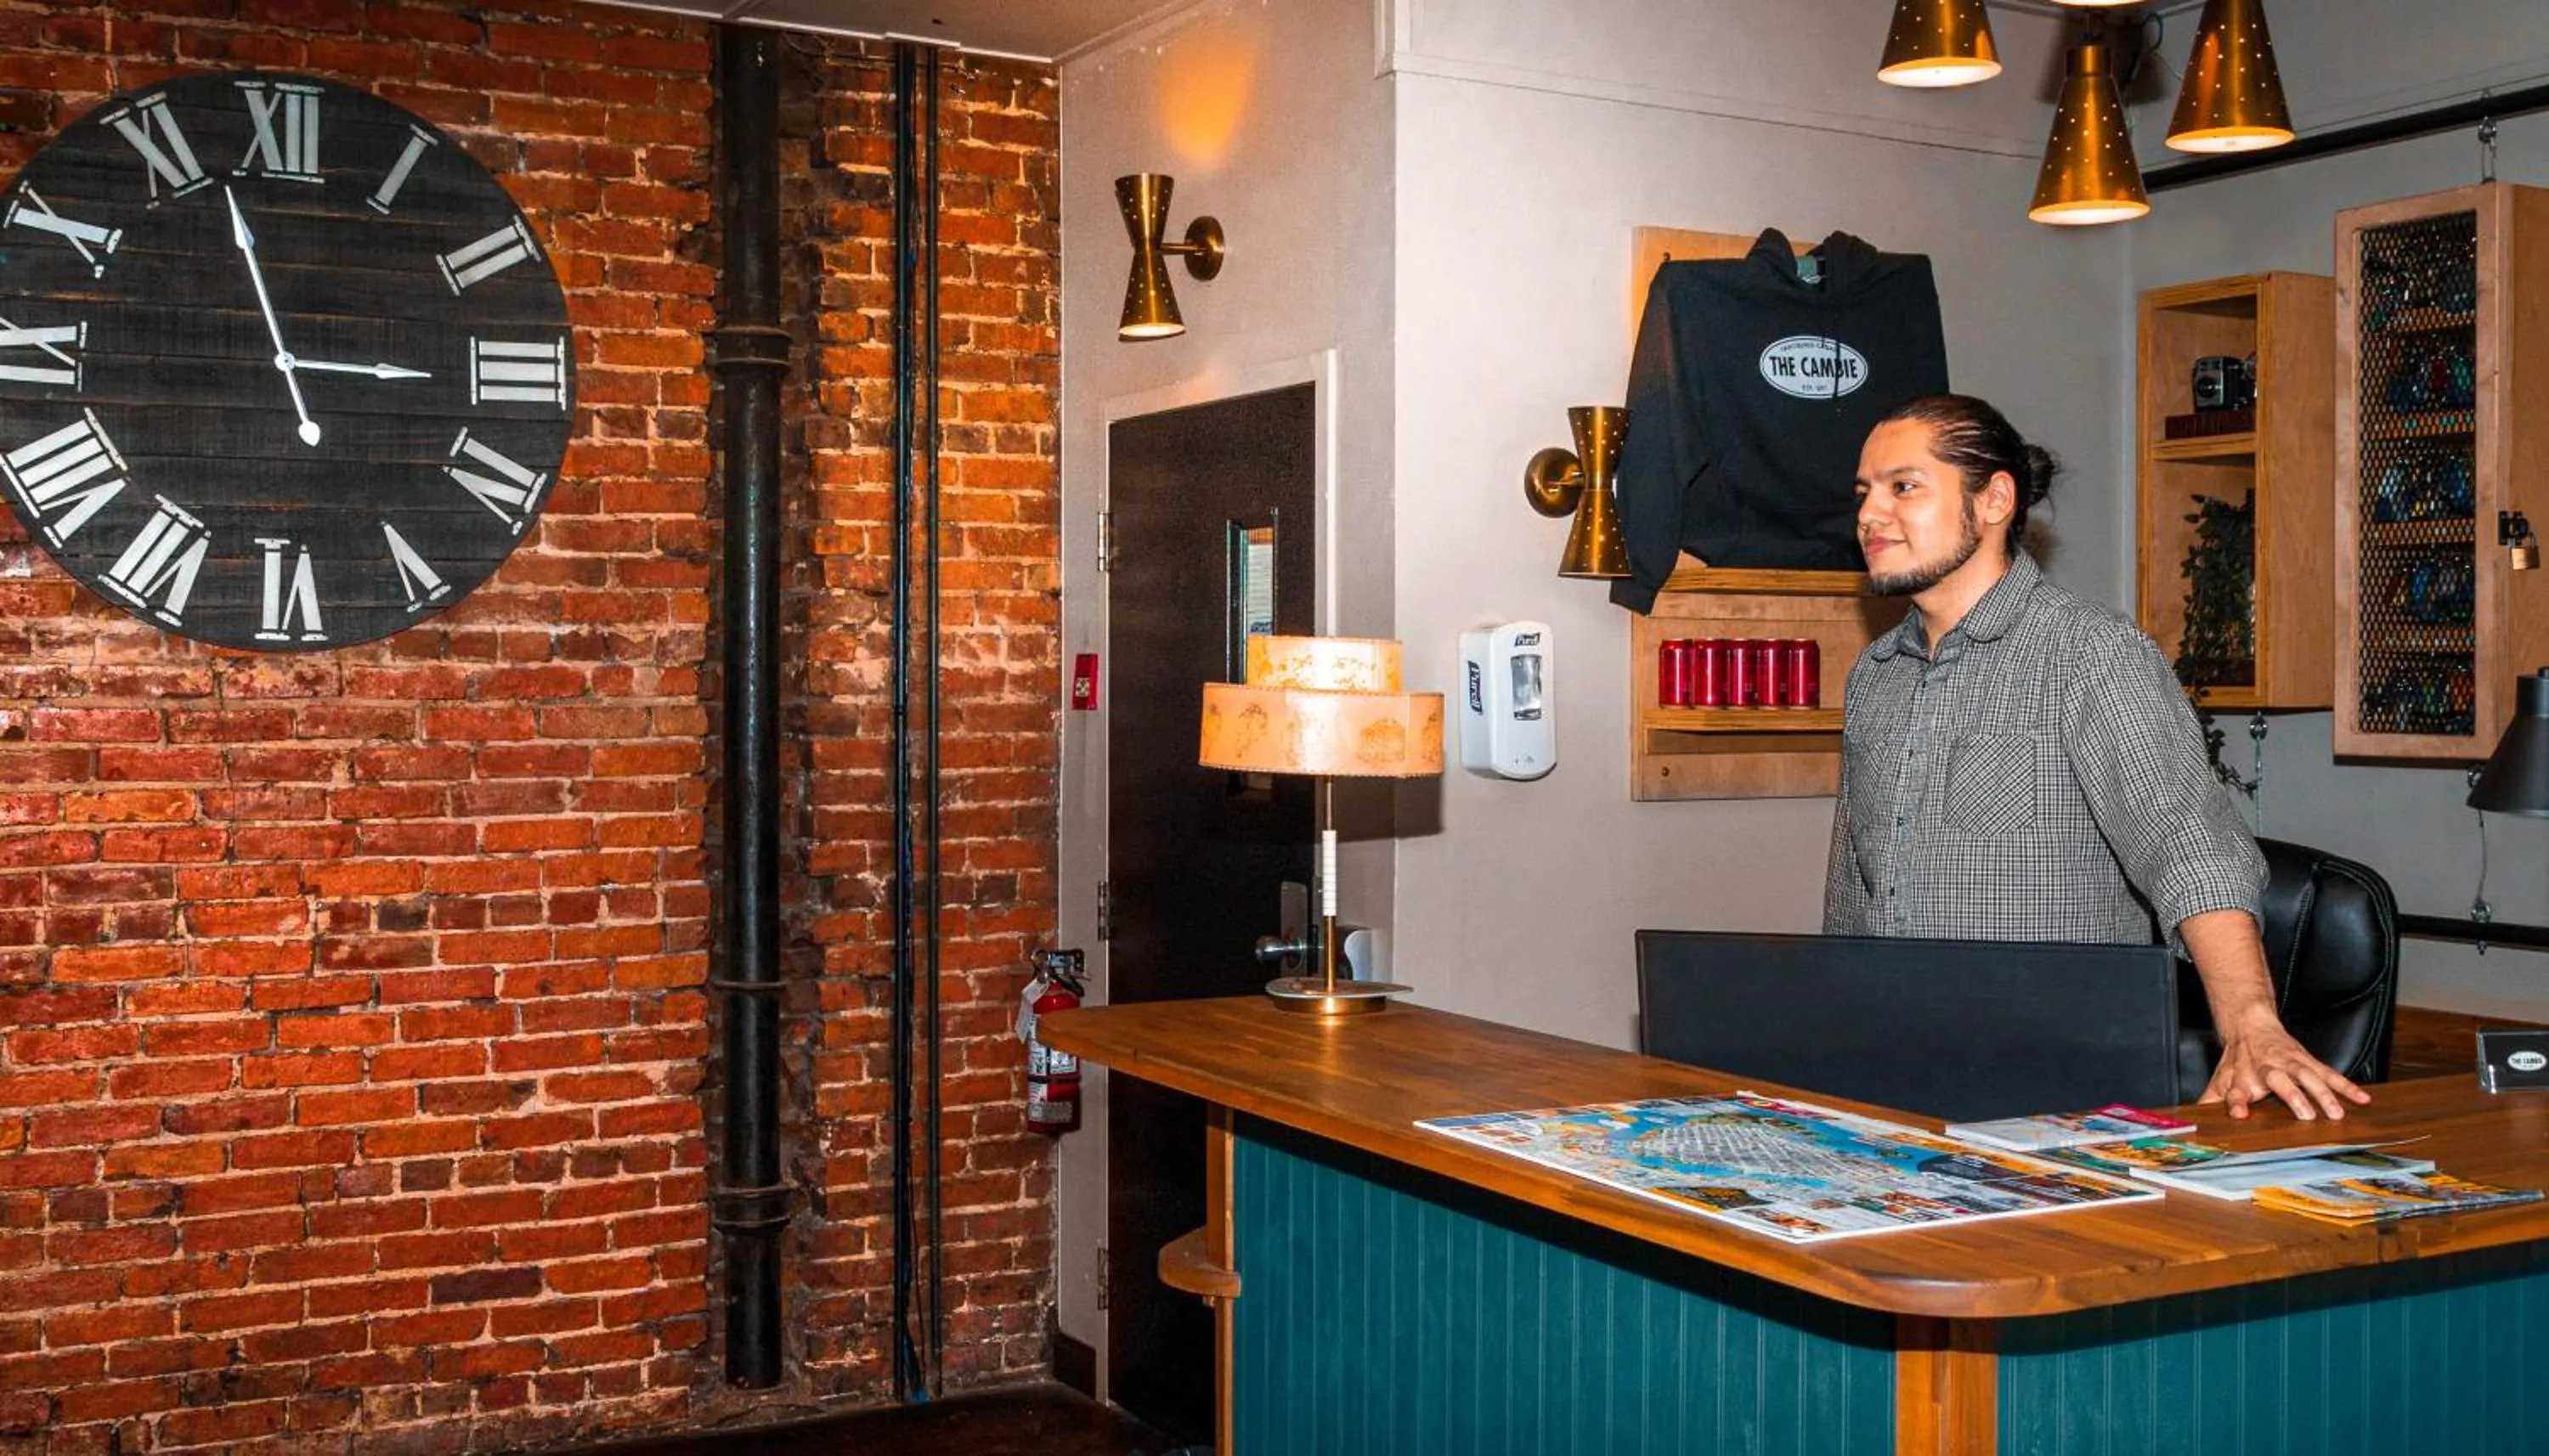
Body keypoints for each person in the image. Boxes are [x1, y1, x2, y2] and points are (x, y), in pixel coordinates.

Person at [1824, 394, 2368, 1122]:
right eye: (1864, 492)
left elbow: (2190, 847)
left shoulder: (2090, 654)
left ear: (1994, 501)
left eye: (1904, 486)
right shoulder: (1875, 675)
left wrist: (2250, 1024)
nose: (1870, 514)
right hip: (1894, 1081)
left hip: (2057, 1095)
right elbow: (1854, 890)